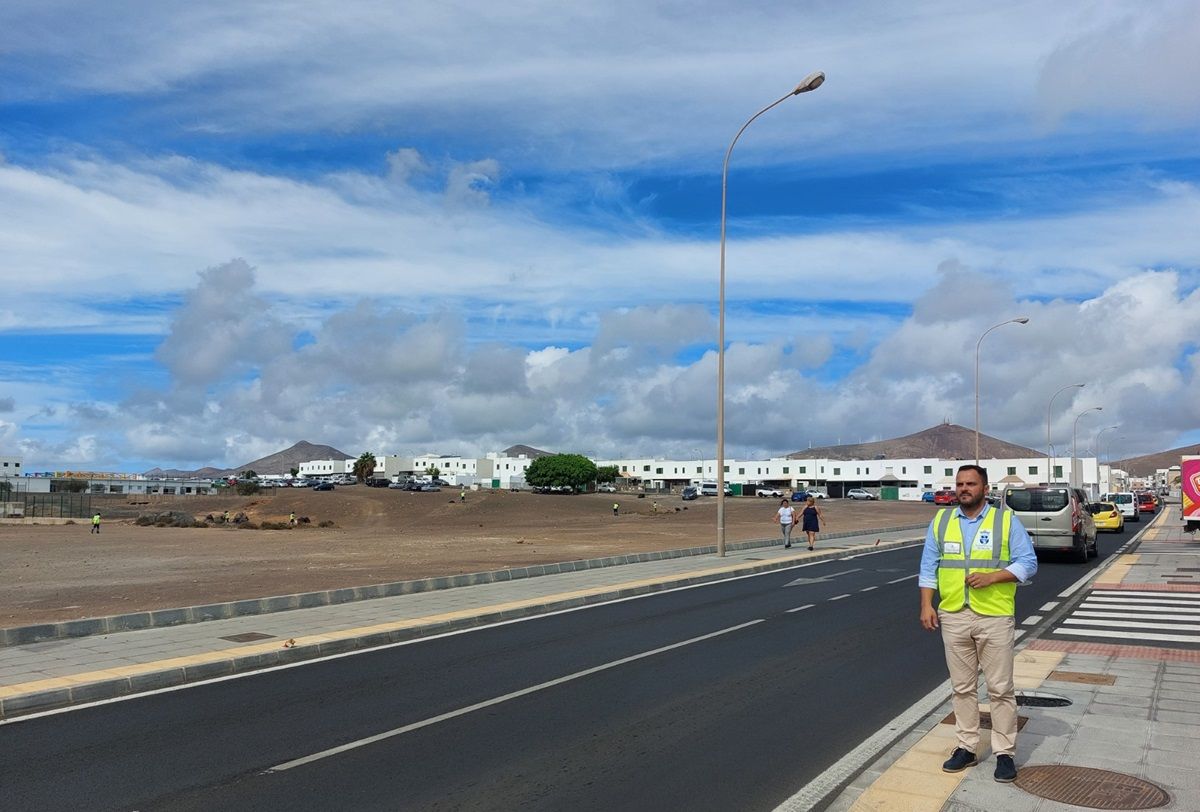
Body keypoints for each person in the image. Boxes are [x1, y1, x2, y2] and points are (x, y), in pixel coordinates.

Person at [919, 464, 1037, 784]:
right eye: (959, 484)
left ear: (985, 488)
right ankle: (967, 747)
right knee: (962, 688)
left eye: (971, 483)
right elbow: (929, 567)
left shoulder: (1005, 520)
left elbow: (1028, 563)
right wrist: (927, 605)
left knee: (1000, 689)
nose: (964, 488)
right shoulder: (942, 521)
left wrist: (993, 577)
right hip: (954, 614)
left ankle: (1004, 753)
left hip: (994, 615)